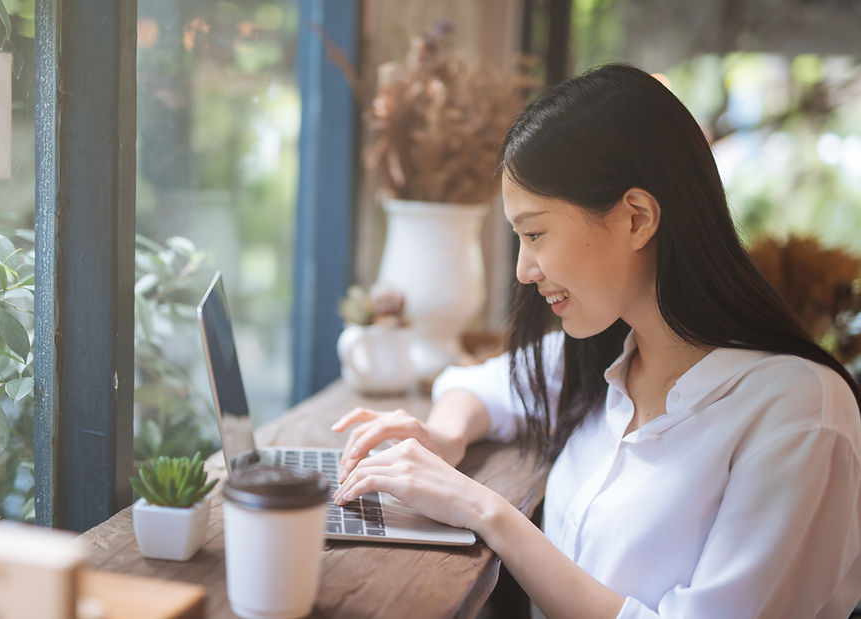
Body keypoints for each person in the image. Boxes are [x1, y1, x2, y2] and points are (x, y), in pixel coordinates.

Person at [330, 63, 861, 618]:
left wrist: (484, 511)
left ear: (636, 218)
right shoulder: (611, 353)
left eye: (535, 233)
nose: (523, 270)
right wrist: (444, 434)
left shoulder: (800, 413)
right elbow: (482, 386)